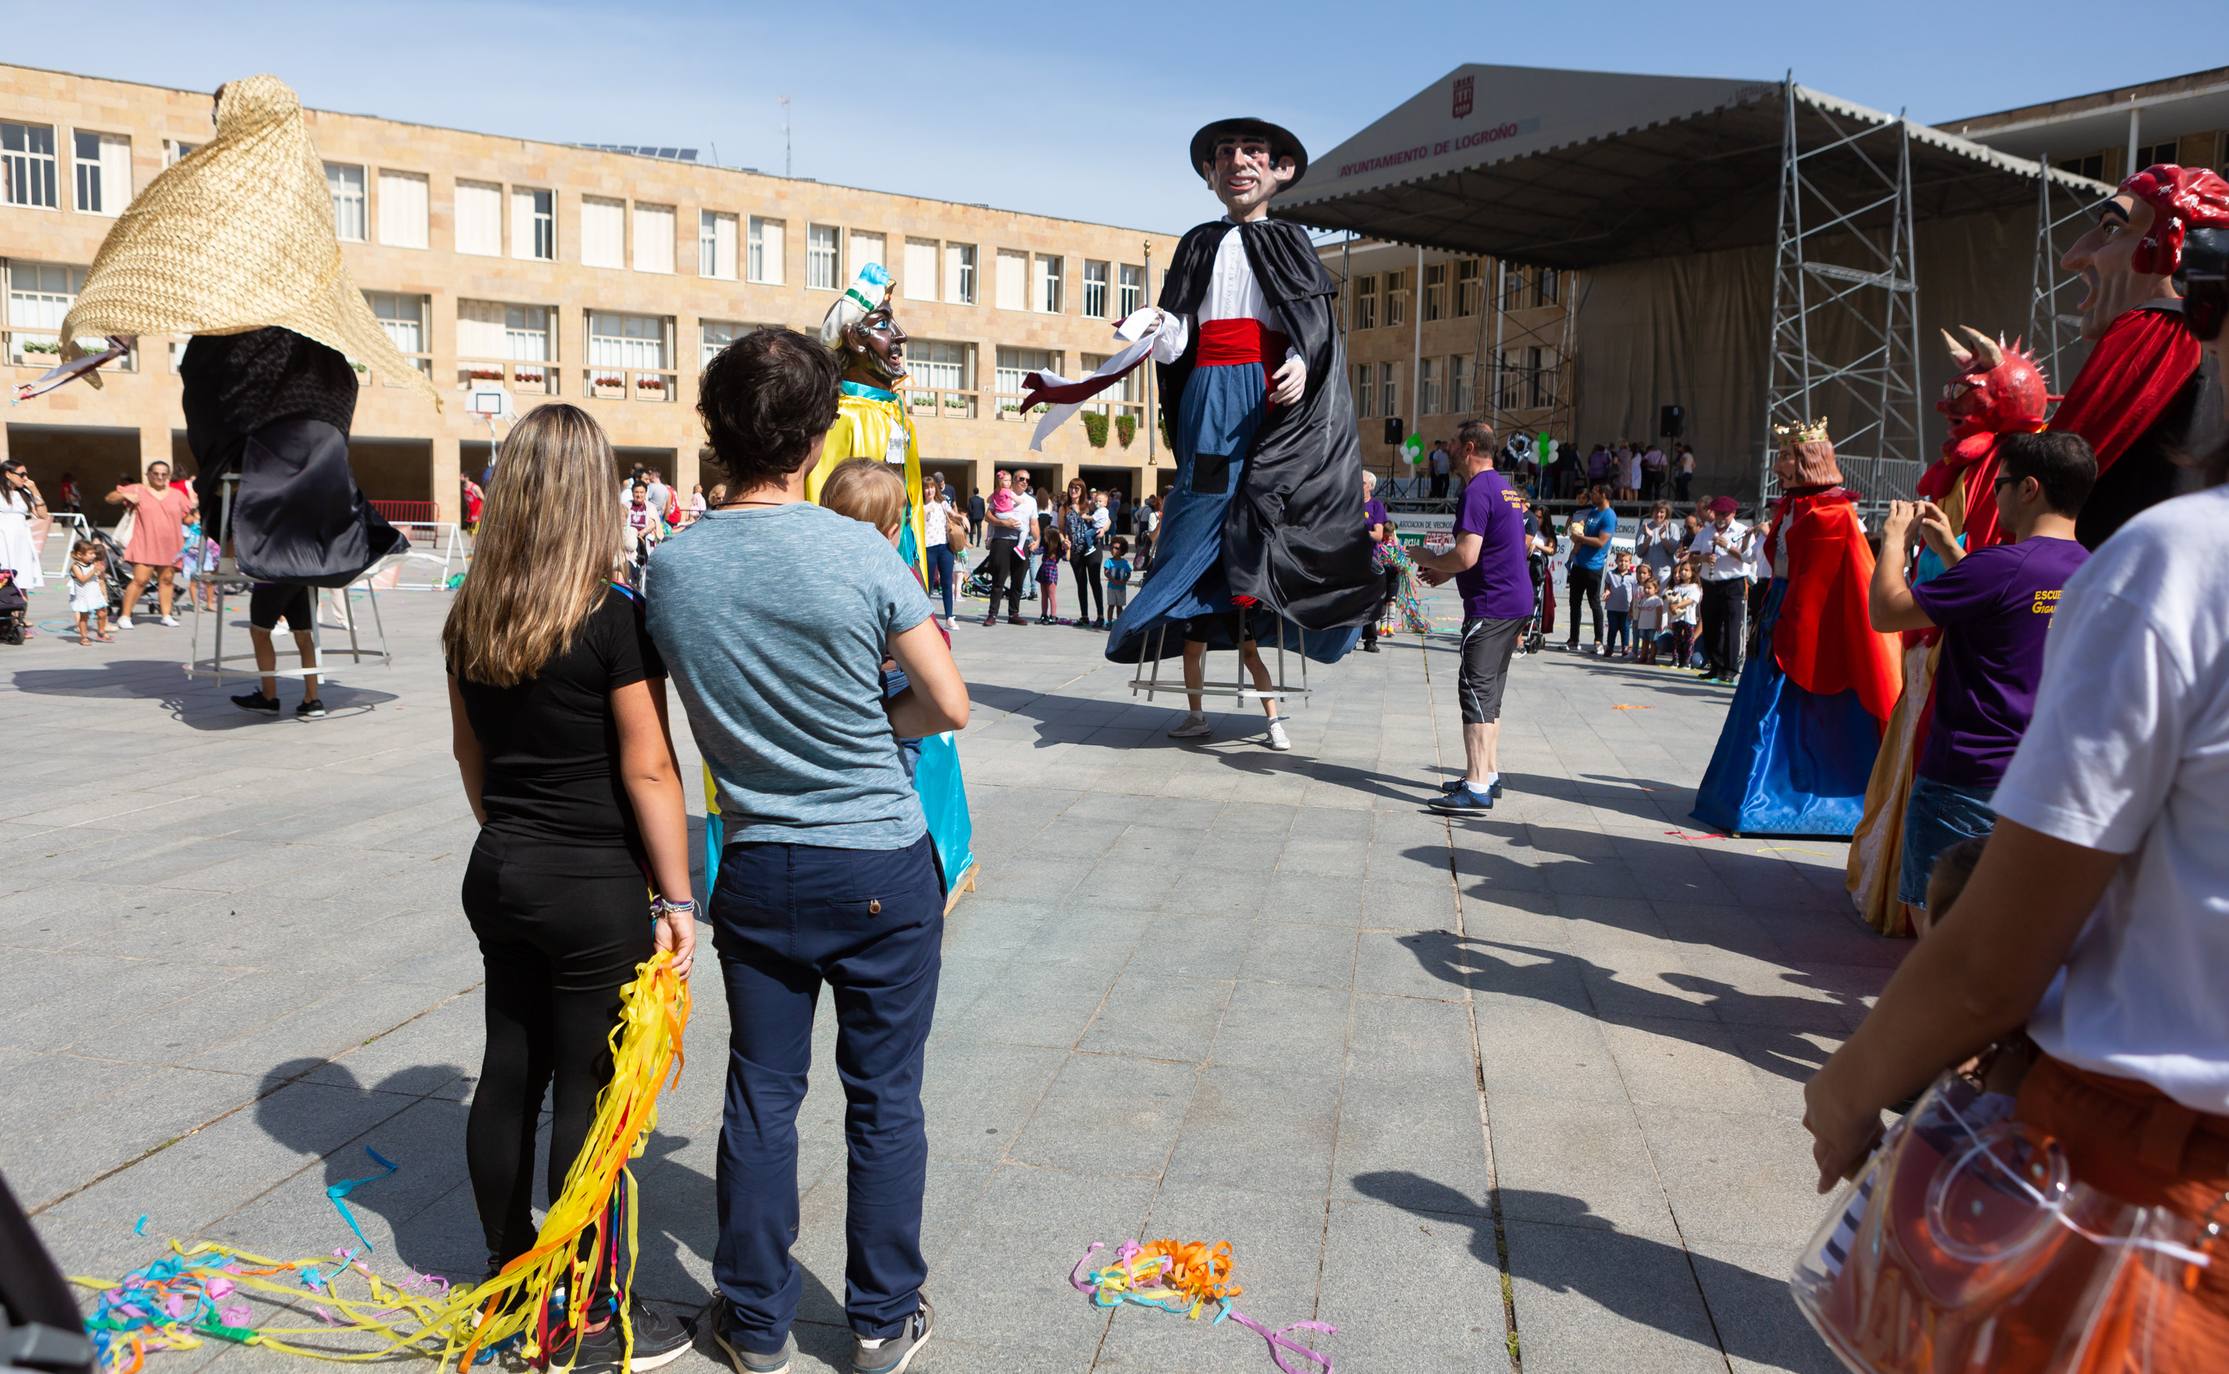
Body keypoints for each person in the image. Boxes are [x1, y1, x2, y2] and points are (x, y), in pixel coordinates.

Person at [1801, 450, 2229, 1370]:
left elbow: (1983, 965)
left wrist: (1848, 1092)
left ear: (2023, 487)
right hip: (2032, 782)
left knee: (1939, 930)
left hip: (2146, 1176)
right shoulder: (2085, 566)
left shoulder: (2181, 558)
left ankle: (1943, 1106)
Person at [644, 328, 965, 1374]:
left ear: (713, 428)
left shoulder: (674, 566)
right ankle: (879, 1319)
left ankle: (754, 1320)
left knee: (761, 1093)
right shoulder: (858, 551)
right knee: (883, 1098)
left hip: (761, 860)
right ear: (819, 434)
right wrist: (884, 728)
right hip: (878, 858)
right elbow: (946, 701)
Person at [442, 403, 698, 1372]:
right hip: (591, 885)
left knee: (509, 1070)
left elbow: (469, 755)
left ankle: (507, 1276)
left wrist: (508, 841)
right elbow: (650, 770)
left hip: (501, 866)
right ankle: (582, 1314)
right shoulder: (612, 615)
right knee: (593, 1099)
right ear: (595, 496)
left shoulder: (470, 612)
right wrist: (676, 902)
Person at [57, 77, 422, 586]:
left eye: (218, 115)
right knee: (300, 439)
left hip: (254, 363)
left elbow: (165, 255)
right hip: (322, 372)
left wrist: (124, 324)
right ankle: (333, 532)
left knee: (213, 399)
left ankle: (238, 534)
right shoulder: (305, 181)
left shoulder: (218, 181)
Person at [1105, 116, 1377, 672]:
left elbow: (1313, 326)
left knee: (1265, 495)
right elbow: (1182, 334)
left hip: (1264, 394)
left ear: (1281, 170)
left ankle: (1271, 600)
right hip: (1209, 391)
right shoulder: (1196, 243)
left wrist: (1301, 362)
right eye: (1225, 153)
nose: (1237, 162)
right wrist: (1156, 326)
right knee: (1204, 493)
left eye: (1252, 151)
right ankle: (1176, 600)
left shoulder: (1291, 241)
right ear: (1209, 173)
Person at [1845, 326, 2055, 936]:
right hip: (1934, 628)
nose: (1953, 407)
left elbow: (1905, 603)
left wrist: (1897, 549)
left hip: (1949, 649)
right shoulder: (1974, 470)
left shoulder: (2000, 472)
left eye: (1969, 395)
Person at [1863, 430, 2094, 927]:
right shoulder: (2098, 569)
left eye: (2000, 483)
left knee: (1937, 917)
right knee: (2015, 920)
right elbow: (2011, 610)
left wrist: (1894, 544)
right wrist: (1949, 549)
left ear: (2029, 488)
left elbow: (1885, 613)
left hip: (1969, 774)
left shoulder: (2002, 565)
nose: (1996, 494)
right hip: (2049, 777)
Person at [1693, 422, 1901, 837]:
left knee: (1798, 708)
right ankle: (1746, 798)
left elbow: (1845, 579)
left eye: (1787, 455)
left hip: (1814, 623)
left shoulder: (1837, 514)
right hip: (1778, 611)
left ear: (1810, 461)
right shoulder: (1788, 508)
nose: (1779, 463)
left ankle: (1792, 803)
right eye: (1781, 454)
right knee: (1762, 705)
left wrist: (1801, 621)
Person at [2046, 163, 2229, 549]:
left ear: (2171, 248)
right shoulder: (2208, 342)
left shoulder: (2158, 327)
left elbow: (2051, 475)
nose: (2075, 256)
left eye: (2112, 227)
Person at [1415, 420, 1532, 814]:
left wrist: (1431, 560)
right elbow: (1494, 551)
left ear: (1467, 449)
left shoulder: (1478, 490)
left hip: (1491, 606)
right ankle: (1489, 774)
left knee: (1476, 695)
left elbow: (1467, 555)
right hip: (1513, 603)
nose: (1445, 449)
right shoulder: (1504, 487)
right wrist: (1445, 572)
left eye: (1450, 443)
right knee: (1491, 695)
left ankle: (1477, 786)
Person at [804, 264, 929, 581]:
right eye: (884, 324)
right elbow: (823, 511)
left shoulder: (896, 415)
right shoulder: (840, 418)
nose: (900, 335)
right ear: (854, 339)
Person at [107, 461, 195, 627]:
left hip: (171, 545)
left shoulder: (177, 495)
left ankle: (166, 615)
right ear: (148, 474)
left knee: (167, 580)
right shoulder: (138, 489)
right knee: (140, 580)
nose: (160, 477)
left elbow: (188, 517)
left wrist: (197, 519)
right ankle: (125, 616)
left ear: (168, 476)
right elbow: (110, 498)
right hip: (145, 542)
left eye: (164, 474)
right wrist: (125, 496)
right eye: (156, 473)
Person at [228, 584, 329, 719]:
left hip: (275, 576)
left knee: (259, 631)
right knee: (304, 636)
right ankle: (312, 699)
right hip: (307, 576)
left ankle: (268, 696)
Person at [1688, 496, 1749, 681]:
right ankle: (1716, 666)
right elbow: (1692, 556)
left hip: (1732, 583)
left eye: (1724, 513)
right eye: (1717, 513)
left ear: (1733, 513)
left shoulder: (1742, 531)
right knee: (1711, 625)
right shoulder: (1705, 532)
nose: (1720, 517)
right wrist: (1703, 558)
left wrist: (1728, 546)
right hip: (1711, 583)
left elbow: (1747, 557)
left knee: (1731, 626)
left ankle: (1730, 669)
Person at [1562, 484, 1615, 653]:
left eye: (1594, 493)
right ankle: (1573, 639)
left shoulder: (1609, 515)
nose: (1591, 495)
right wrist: (1575, 538)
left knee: (1594, 604)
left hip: (1594, 566)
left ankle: (1598, 640)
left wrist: (1581, 538)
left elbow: (1601, 542)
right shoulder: (1593, 512)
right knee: (1574, 603)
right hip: (1579, 563)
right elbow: (1581, 532)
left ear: (1603, 494)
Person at [979, 469, 1027, 626]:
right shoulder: (1000, 494)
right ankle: (992, 614)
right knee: (998, 579)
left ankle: (1014, 614)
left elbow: (1033, 523)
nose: (1024, 482)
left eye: (1027, 479)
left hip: (1020, 543)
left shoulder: (1030, 500)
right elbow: (987, 516)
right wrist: (1002, 523)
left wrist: (1037, 540)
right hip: (1001, 541)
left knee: (1018, 581)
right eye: (1021, 479)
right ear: (1013, 481)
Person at [1062, 479, 1104, 629]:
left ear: (1082, 490)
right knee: (1081, 583)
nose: (1073, 491)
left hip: (1092, 548)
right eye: (1071, 488)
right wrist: (1064, 540)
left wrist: (1104, 529)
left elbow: (1107, 518)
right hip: (1075, 551)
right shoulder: (1064, 508)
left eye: (1077, 488)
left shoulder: (1090, 505)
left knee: (1094, 581)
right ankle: (1084, 616)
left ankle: (1100, 616)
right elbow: (1062, 529)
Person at [0, 463, 47, 596]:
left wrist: (35, 490)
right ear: (8, 474)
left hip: (21, 541)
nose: (25, 478)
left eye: (26, 474)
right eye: (21, 475)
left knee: (22, 578)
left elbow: (43, 514)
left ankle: (19, 615)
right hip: (3, 539)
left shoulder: (24, 493)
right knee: (3, 577)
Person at [1360, 470, 1394, 652]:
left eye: (1363, 482)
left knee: (1370, 598)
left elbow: (1379, 534)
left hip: (1368, 558)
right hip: (1348, 555)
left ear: (1370, 486)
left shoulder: (1376, 506)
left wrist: (1360, 533)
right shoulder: (1349, 503)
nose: (1359, 484)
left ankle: (1370, 639)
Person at [920, 474, 957, 625]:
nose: (929, 491)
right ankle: (926, 616)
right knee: (927, 584)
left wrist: (963, 518)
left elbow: (953, 514)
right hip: (928, 548)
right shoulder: (920, 507)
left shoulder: (942, 504)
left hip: (945, 547)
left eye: (931, 488)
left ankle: (949, 616)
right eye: (926, 488)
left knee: (947, 582)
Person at [67, 537, 113, 644]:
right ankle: (84, 637)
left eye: (94, 553)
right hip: (84, 596)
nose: (93, 556)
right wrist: (93, 571)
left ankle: (101, 631)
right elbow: (82, 579)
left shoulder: (92, 564)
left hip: (95, 594)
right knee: (84, 617)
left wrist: (100, 572)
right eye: (90, 553)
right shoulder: (76, 566)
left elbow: (98, 577)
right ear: (79, 554)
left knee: (102, 613)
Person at [1602, 550, 1637, 658]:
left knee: (1625, 628)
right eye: (1621, 560)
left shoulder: (1633, 577)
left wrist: (1633, 607)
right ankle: (1610, 647)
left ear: (1630, 562)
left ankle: (1625, 647)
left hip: (1626, 608)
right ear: (1616, 561)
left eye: (1626, 561)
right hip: (1612, 607)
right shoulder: (1610, 574)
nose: (1623, 563)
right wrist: (1607, 591)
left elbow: (1635, 592)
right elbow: (1607, 585)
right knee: (1612, 628)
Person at [1665, 562, 1701, 670]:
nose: (1682, 572)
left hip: (1689, 618)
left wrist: (1678, 605)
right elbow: (1672, 600)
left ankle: (1687, 661)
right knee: (1676, 639)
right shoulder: (1676, 587)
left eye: (1686, 570)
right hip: (1677, 617)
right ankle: (1675, 659)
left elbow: (1691, 600)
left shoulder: (1695, 587)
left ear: (1693, 573)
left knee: (1689, 640)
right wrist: (1672, 607)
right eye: (1681, 570)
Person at [1035, 512, 1066, 625]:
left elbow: (1066, 558)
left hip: (1051, 571)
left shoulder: (1057, 549)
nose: (1044, 537)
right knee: (1044, 595)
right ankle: (1044, 615)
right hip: (1044, 570)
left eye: (1045, 536)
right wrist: (1033, 545)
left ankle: (1053, 616)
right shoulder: (1045, 546)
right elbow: (1036, 551)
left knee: (1051, 595)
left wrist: (1067, 548)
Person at [1633, 568, 1663, 666]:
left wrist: (1658, 624)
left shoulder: (1657, 600)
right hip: (1643, 625)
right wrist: (1638, 623)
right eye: (1645, 587)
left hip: (1652, 626)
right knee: (1644, 642)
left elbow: (1659, 614)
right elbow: (1640, 612)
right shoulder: (1643, 599)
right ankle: (1643, 656)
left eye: (1649, 588)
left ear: (1656, 589)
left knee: (1653, 642)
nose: (1646, 590)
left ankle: (1652, 658)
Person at [1105, 538, 1134, 621]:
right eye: (1112, 547)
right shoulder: (1109, 561)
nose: (1114, 550)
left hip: (1121, 588)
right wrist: (1112, 579)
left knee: (1119, 607)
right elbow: (1106, 572)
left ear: (1122, 550)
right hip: (1111, 588)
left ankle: (1118, 622)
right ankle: (1109, 622)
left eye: (1117, 548)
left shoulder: (1124, 563)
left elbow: (1128, 573)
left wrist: (1124, 580)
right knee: (1111, 605)